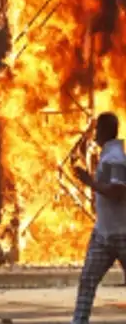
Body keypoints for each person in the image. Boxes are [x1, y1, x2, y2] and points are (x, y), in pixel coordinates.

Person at [71, 111, 126, 324]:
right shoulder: (109, 155)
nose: (94, 133)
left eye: (96, 129)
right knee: (87, 280)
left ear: (103, 130)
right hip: (104, 234)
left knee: (88, 281)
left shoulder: (116, 159)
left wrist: (89, 181)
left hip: (121, 234)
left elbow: (117, 191)